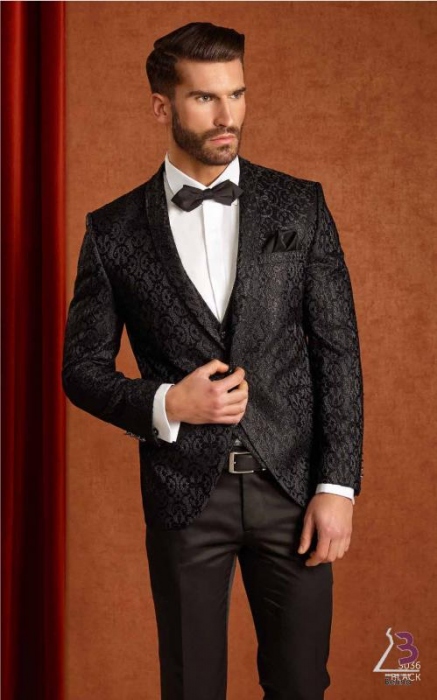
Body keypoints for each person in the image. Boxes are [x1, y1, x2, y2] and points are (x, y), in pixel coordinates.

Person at [62, 21, 364, 700]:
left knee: (300, 685)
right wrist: (168, 402)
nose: (228, 115)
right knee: (191, 686)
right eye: (204, 98)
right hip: (183, 495)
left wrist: (337, 487)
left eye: (237, 94)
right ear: (161, 106)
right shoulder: (112, 231)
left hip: (292, 488)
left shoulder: (300, 205)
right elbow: (80, 369)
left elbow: (338, 352)